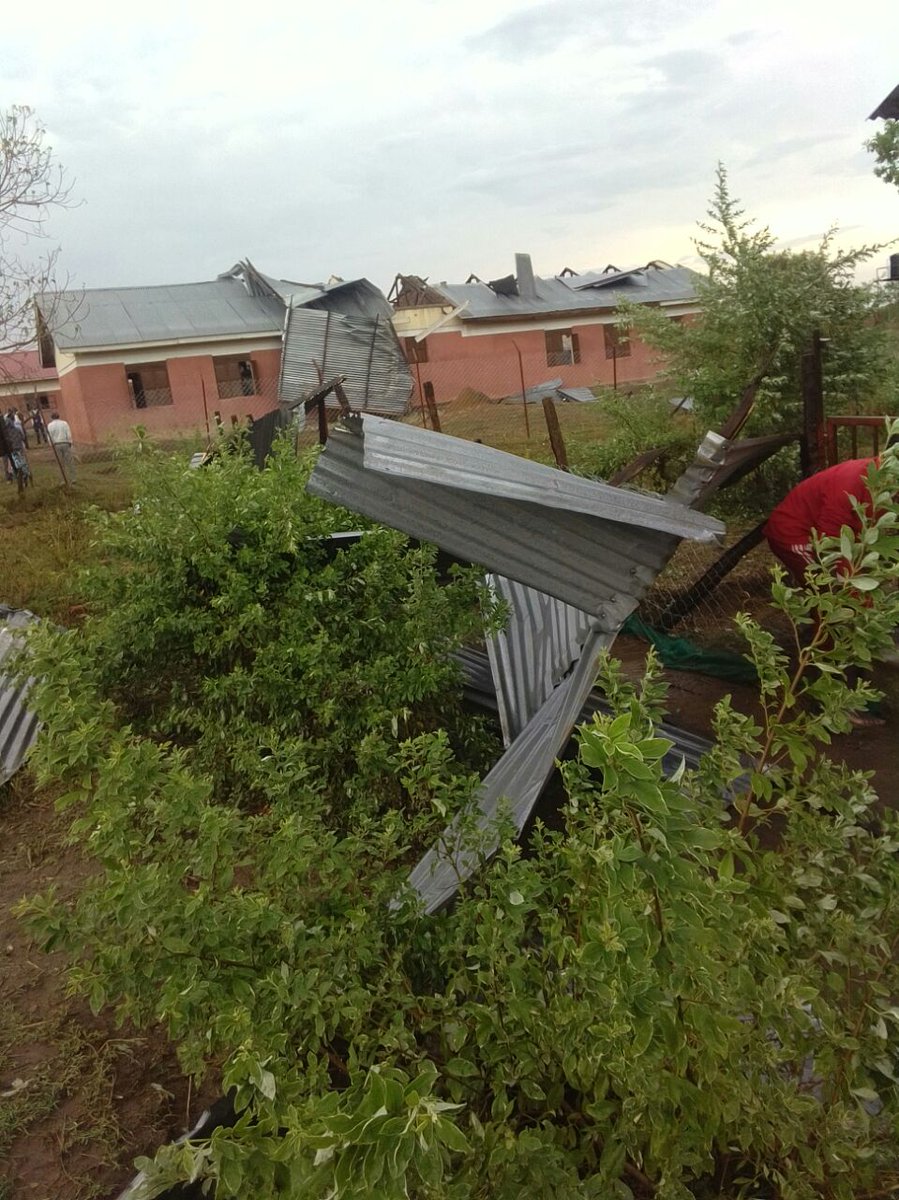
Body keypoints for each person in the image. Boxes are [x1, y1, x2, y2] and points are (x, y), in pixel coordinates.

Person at [764, 456, 886, 725]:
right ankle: (829, 701)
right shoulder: (852, 483)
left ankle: (842, 676)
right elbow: (832, 546)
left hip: (840, 542)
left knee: (854, 604)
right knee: (834, 607)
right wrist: (855, 601)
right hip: (798, 535)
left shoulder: (888, 485)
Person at [46, 411, 76, 483]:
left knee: (60, 463)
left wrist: (51, 444)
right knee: (69, 461)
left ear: (51, 417)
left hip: (56, 444)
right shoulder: (64, 423)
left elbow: (49, 436)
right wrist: (70, 442)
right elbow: (68, 433)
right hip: (65, 443)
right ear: (59, 416)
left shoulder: (50, 425)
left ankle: (63, 479)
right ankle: (73, 478)